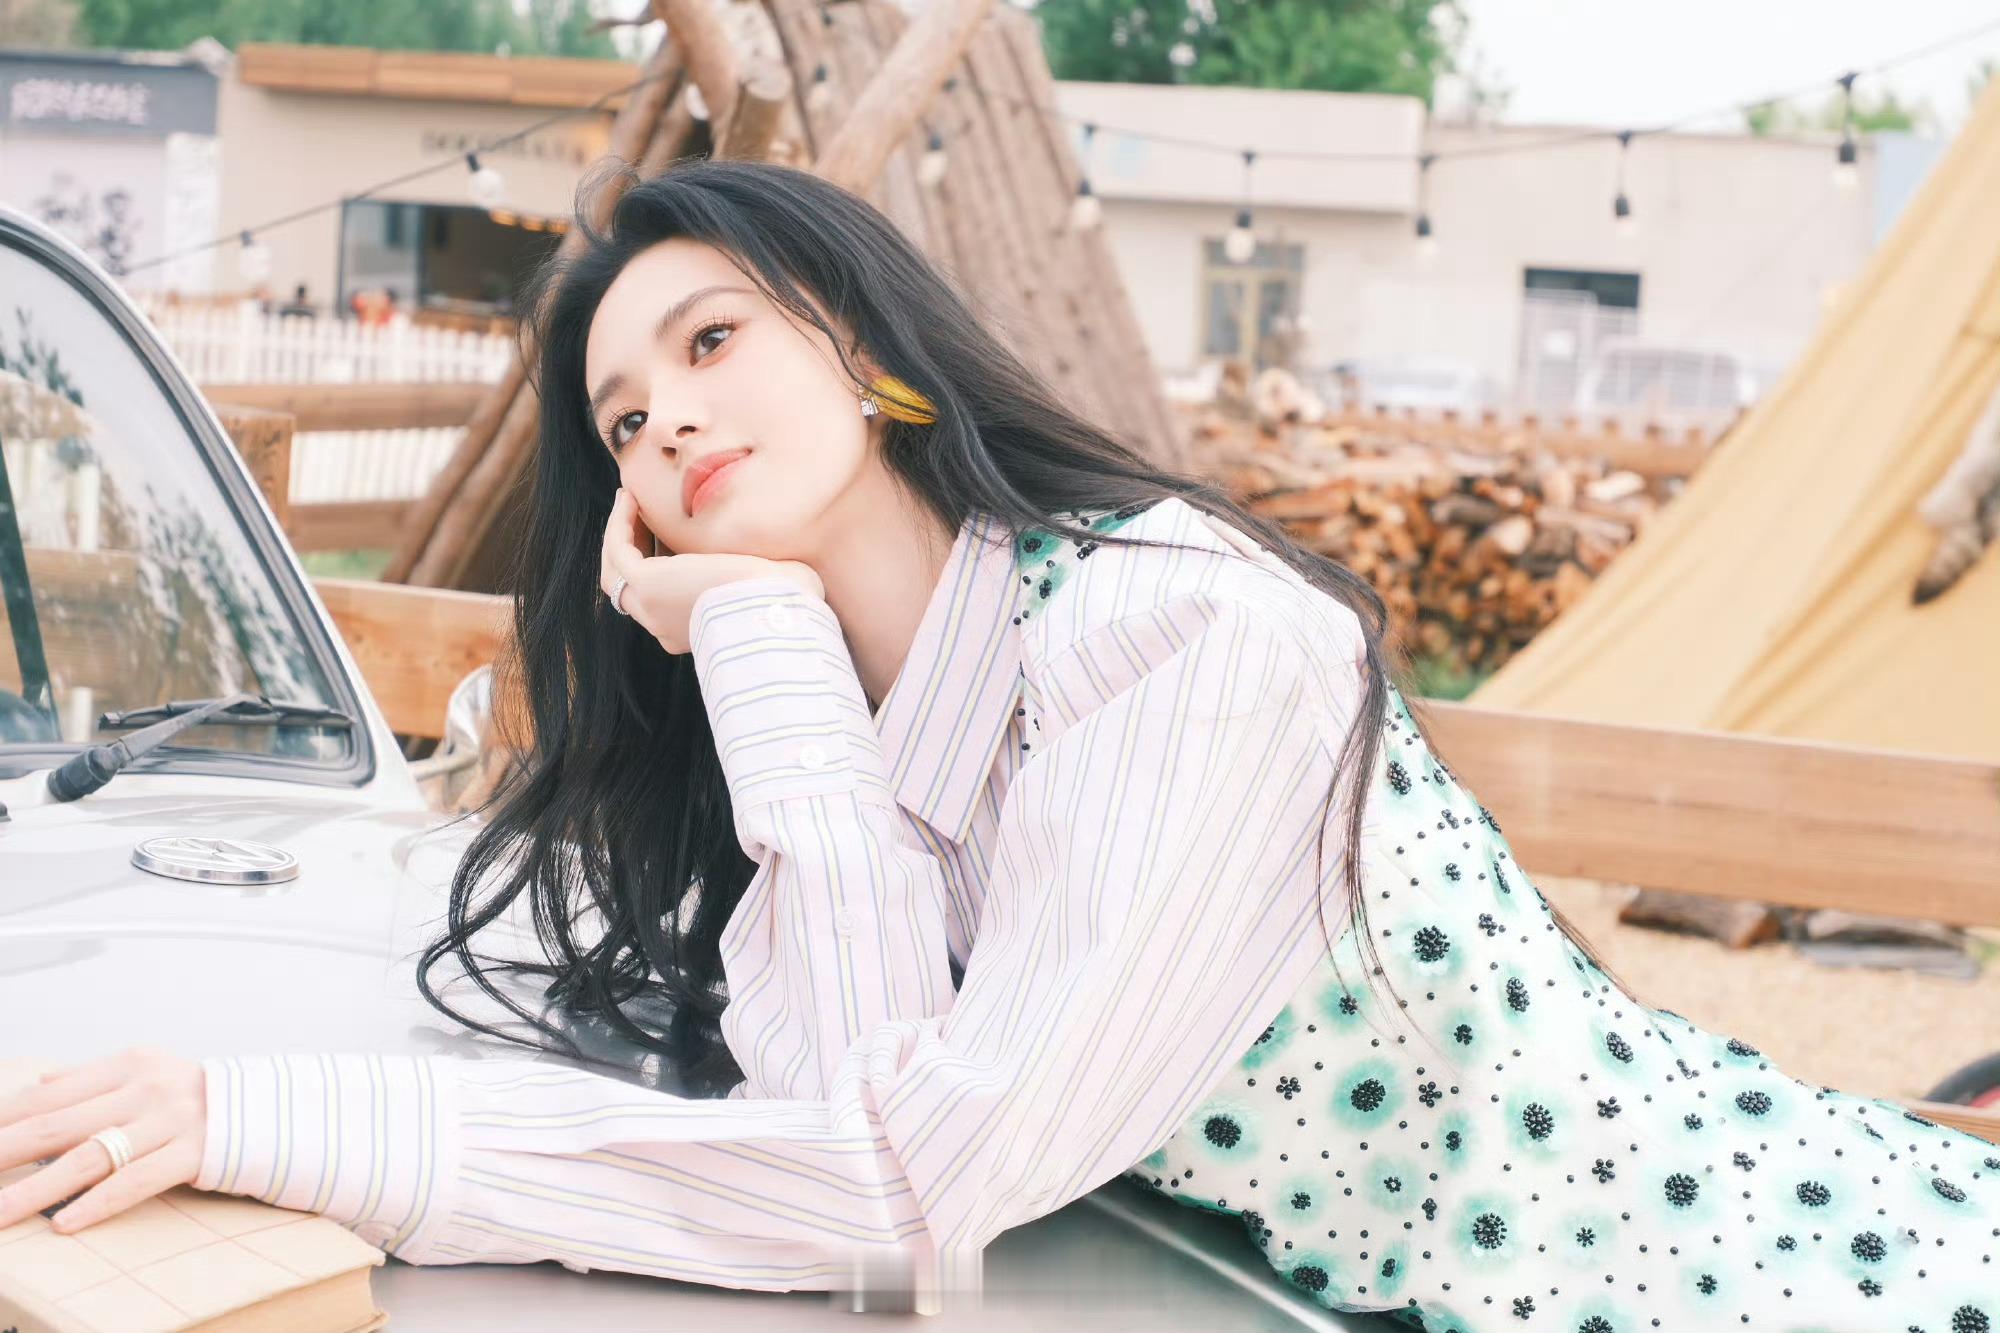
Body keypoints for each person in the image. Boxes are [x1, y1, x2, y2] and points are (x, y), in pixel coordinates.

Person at [0, 158, 1992, 1331]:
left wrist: (261, 1115)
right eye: (619, 422)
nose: (663, 420)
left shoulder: (1176, 632)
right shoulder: (835, 714)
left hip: (1755, 1280)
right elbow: (853, 1122)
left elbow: (893, 1187)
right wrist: (766, 641)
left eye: (711, 341)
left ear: (865, 345)